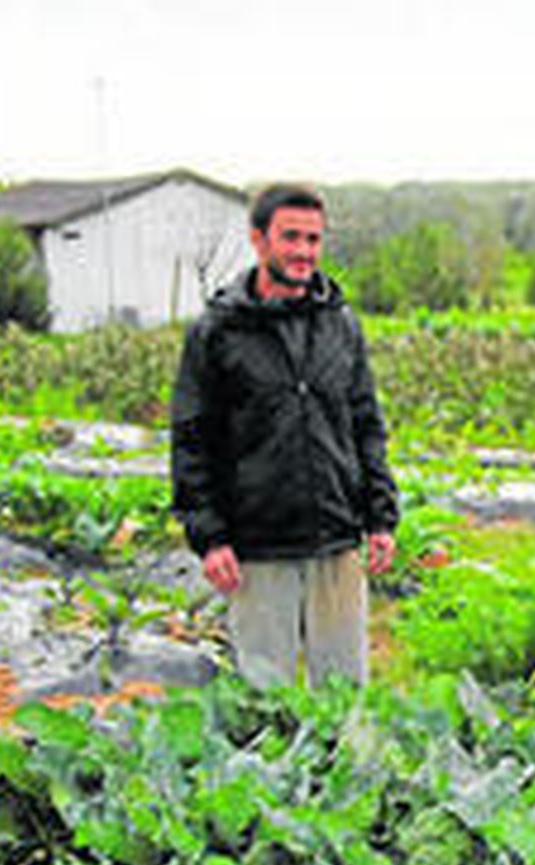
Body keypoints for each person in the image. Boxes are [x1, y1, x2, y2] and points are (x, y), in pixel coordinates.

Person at [171, 183, 400, 688]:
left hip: (337, 540)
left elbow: (366, 425)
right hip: (257, 547)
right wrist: (209, 537)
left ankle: (342, 770)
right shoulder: (218, 332)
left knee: (344, 694)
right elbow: (192, 439)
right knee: (263, 694)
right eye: (290, 237)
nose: (303, 252)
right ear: (259, 239)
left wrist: (381, 517)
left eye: (313, 239)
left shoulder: (340, 325)